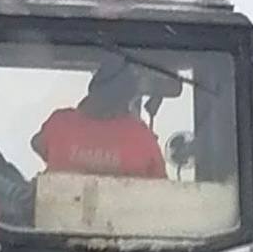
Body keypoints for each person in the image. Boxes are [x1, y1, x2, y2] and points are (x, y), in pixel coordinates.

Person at [31, 58, 166, 179]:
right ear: (127, 100)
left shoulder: (60, 123)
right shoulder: (141, 137)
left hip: (57, 205)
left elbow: (38, 144)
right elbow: (162, 190)